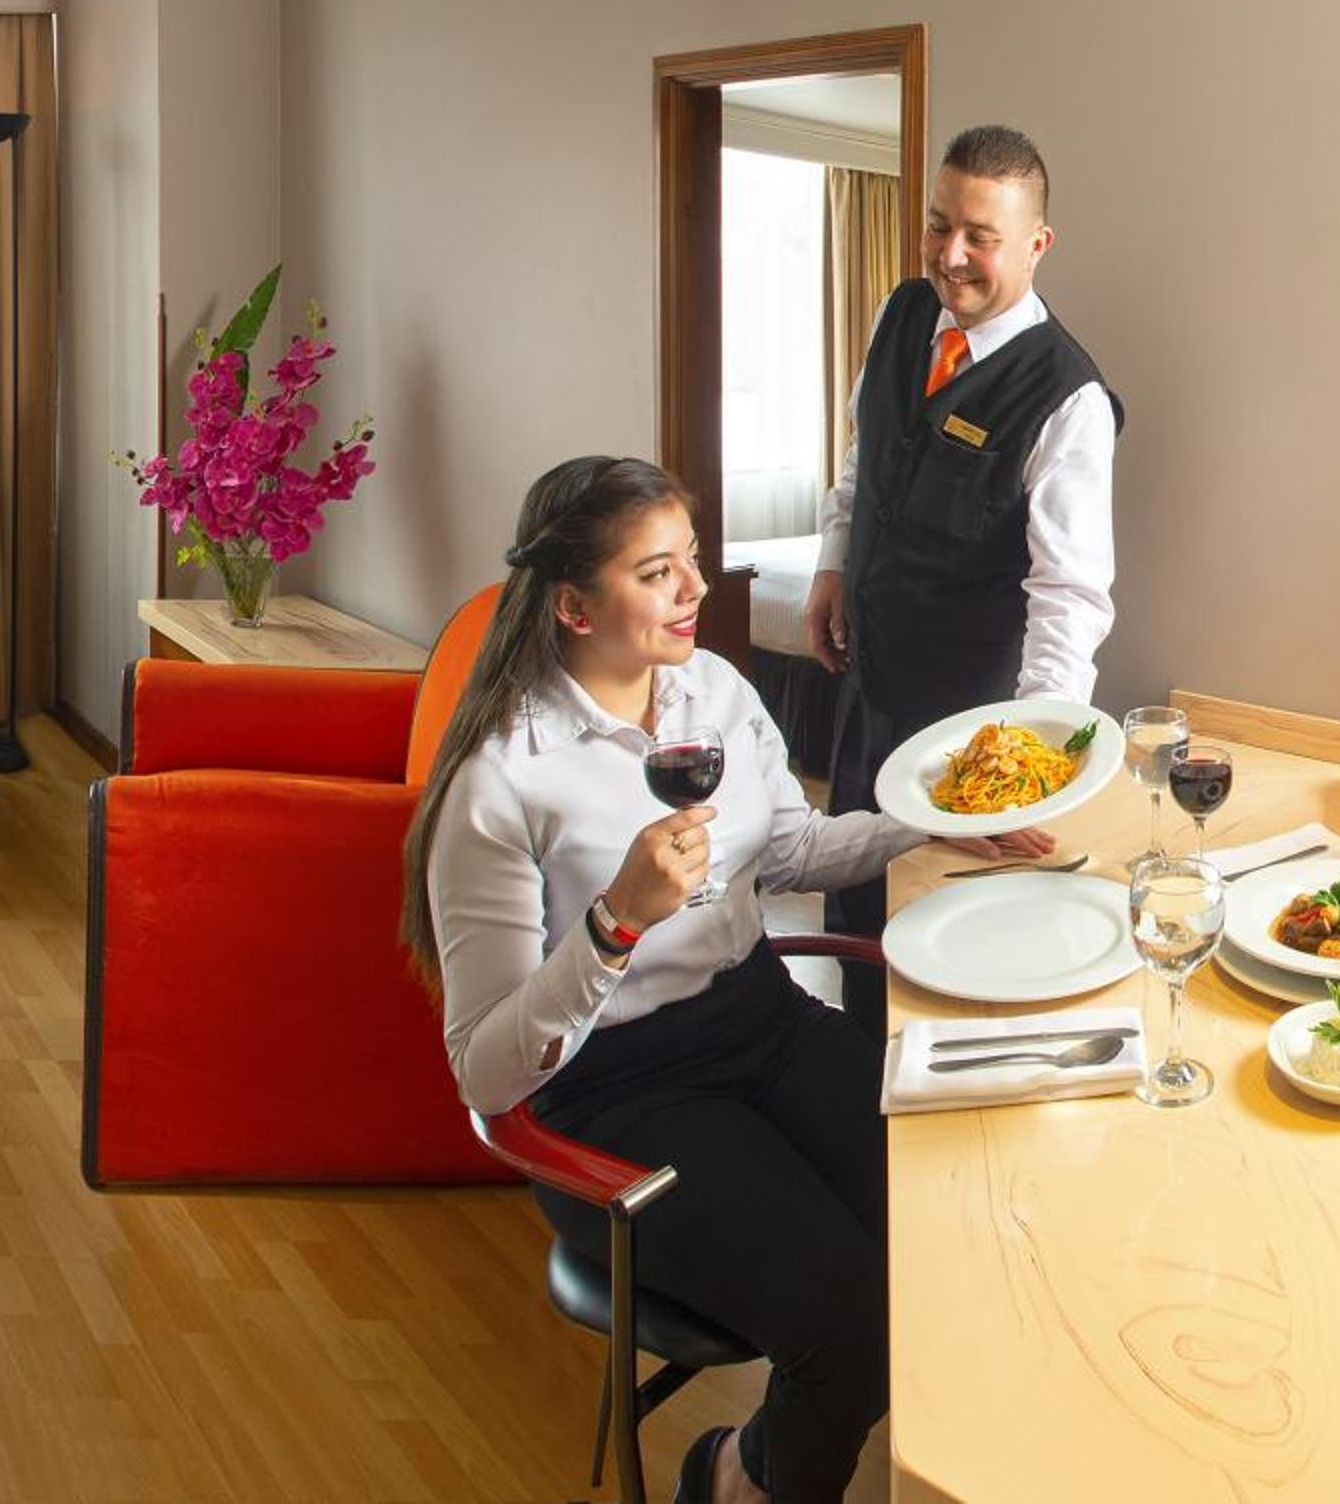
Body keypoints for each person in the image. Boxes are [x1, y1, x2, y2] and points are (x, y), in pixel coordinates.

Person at [405, 455, 1049, 1504]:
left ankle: (755, 1464)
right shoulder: (504, 779)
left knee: (969, 1222)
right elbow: (485, 1071)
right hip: (614, 1094)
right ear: (574, 606)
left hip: (763, 1025)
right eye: (656, 572)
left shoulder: (714, 690)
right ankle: (743, 1481)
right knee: (854, 1327)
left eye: (693, 560)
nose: (696, 589)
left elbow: (790, 851)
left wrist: (934, 820)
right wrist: (614, 925)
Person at [802, 125, 1122, 1030]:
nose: (950, 255)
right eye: (939, 225)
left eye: (980, 236)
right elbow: (864, 457)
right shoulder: (900, 313)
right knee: (855, 928)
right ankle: (852, 1092)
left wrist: (1022, 773)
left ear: (1036, 243)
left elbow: (1069, 599)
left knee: (941, 964)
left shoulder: (1069, 398)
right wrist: (833, 562)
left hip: (965, 736)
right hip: (868, 694)